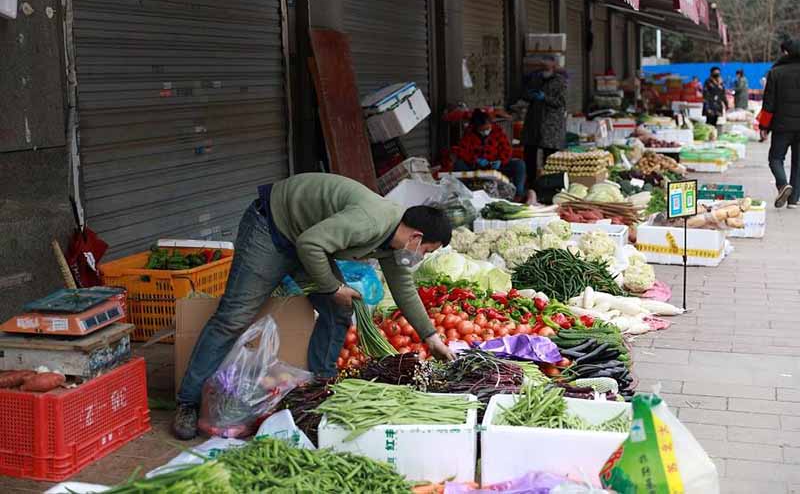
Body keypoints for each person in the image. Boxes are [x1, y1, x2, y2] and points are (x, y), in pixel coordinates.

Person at [172, 173, 456, 439]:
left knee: (338, 309)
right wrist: (333, 287)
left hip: (308, 239)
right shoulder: (371, 222)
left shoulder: (395, 239)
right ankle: (187, 403)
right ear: (416, 238)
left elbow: (403, 287)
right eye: (426, 251)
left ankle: (322, 383)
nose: (421, 257)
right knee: (233, 318)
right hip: (273, 228)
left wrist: (430, 337)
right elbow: (310, 244)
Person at [453, 109, 533, 203]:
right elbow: (462, 152)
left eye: (487, 129)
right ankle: (462, 193)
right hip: (476, 168)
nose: (486, 131)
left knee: (519, 164)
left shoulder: (497, 132)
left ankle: (518, 195)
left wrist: (501, 161)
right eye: (482, 130)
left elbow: (507, 150)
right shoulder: (469, 134)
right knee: (459, 164)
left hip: (496, 167)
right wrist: (475, 160)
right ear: (476, 127)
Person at [758, 39, 800, 208]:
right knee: (798, 162)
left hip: (782, 126)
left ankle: (783, 185)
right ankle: (793, 200)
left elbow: (768, 103)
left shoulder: (776, 73)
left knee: (775, 158)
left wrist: (763, 127)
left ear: (786, 52)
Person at [520, 55, 567, 194]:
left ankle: (549, 184)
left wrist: (544, 98)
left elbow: (561, 103)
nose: (543, 64)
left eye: (547, 62)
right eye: (542, 62)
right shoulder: (535, 78)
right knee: (529, 153)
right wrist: (530, 95)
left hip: (550, 123)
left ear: (553, 65)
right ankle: (531, 184)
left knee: (550, 156)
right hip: (534, 120)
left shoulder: (560, 81)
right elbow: (524, 95)